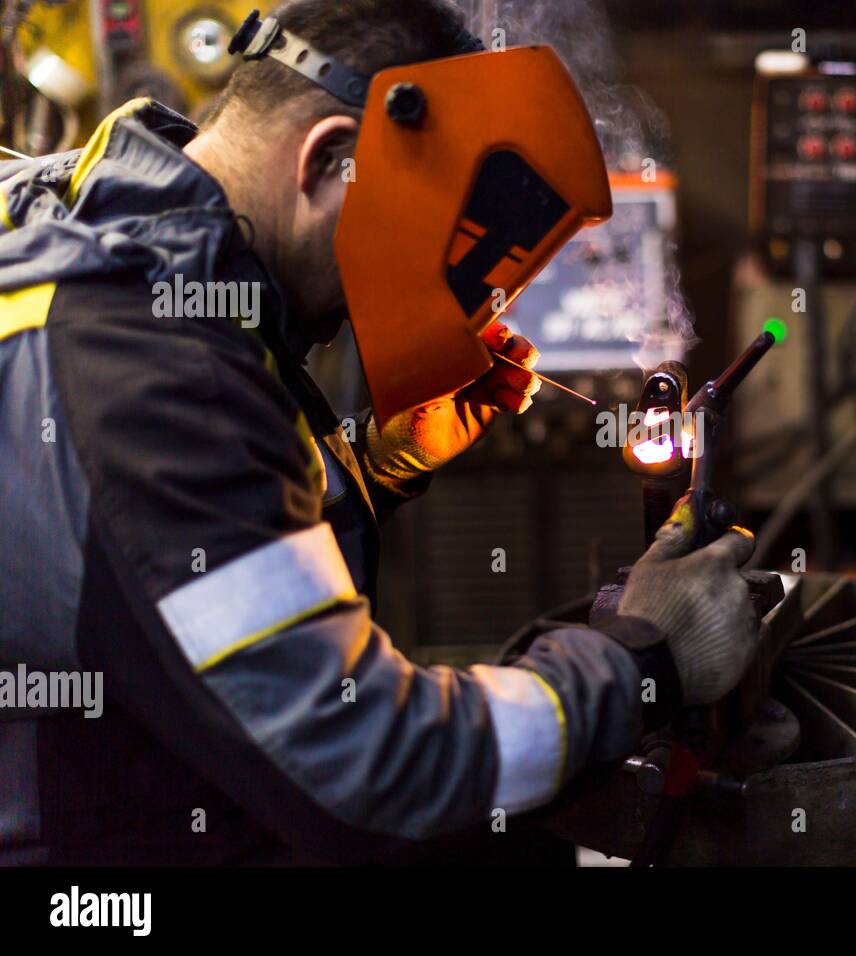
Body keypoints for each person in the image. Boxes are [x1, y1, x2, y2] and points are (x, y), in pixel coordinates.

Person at [0, 0, 758, 864]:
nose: (394, 309)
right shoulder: (152, 363)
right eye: (418, 255)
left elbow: (155, 566)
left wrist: (369, 471)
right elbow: (371, 772)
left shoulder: (71, 215)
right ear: (329, 159)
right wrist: (644, 657)